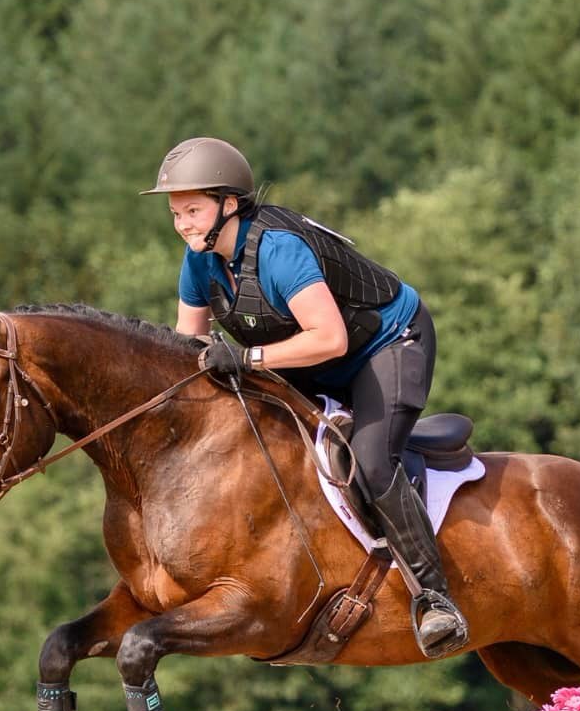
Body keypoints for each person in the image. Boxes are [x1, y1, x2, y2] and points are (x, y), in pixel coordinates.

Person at [144, 136, 469, 659]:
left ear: (229, 204)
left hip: (386, 344)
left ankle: (435, 599)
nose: (183, 223)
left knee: (370, 460)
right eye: (175, 212)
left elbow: (330, 339)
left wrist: (246, 360)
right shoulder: (199, 260)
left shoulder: (278, 250)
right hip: (312, 358)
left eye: (193, 210)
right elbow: (189, 347)